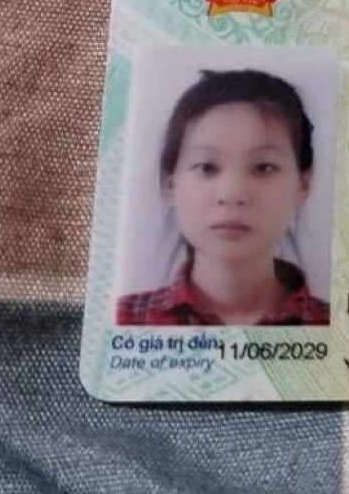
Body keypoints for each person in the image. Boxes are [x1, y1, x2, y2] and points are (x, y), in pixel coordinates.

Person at [116, 68, 329, 326]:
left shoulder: (335, 324)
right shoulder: (125, 319)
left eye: (263, 168)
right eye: (207, 168)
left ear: (303, 184)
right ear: (170, 184)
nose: (232, 194)